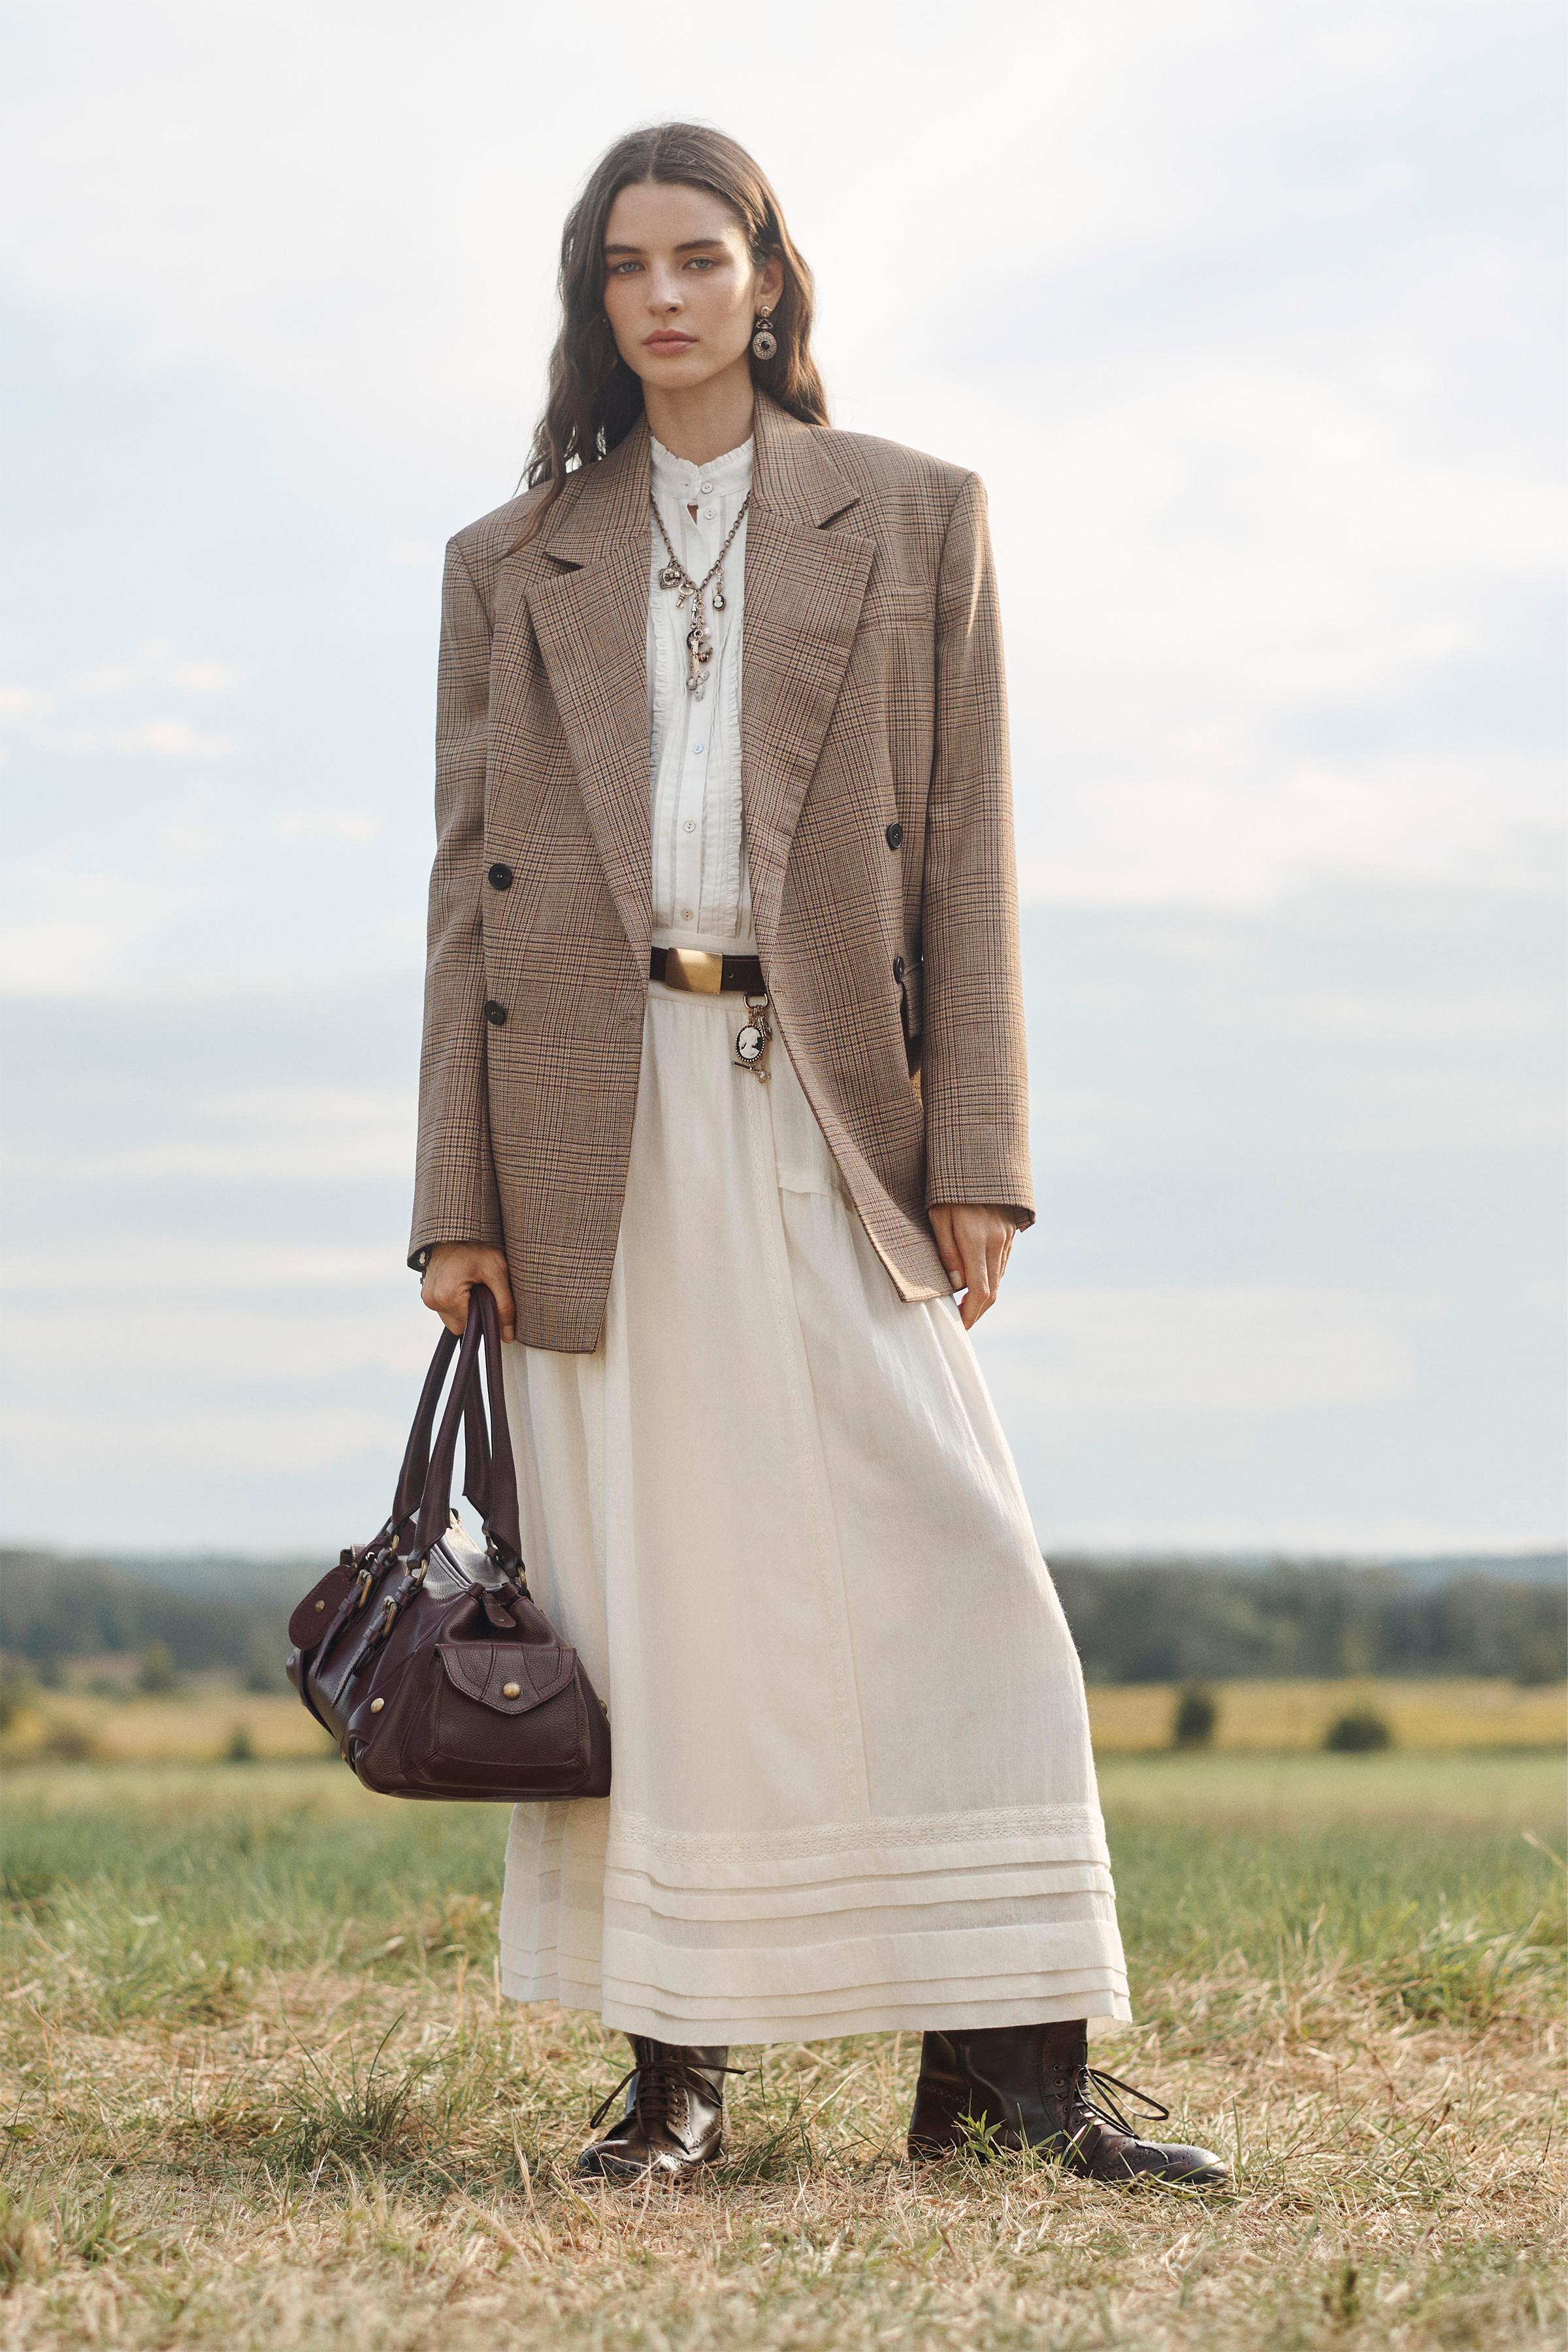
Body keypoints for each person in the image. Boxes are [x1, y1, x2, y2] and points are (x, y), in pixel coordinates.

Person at [410, 122, 1226, 2191]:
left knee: (959, 1571)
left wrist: (986, 1155)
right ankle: (674, 2074)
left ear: (772, 277)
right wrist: (457, 1203)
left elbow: (971, 850)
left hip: (834, 1099)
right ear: (596, 302)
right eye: (625, 268)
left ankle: (1015, 2065)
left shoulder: (915, 515)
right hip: (593, 1123)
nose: (665, 296)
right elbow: (463, 899)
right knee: (651, 1601)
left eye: (700, 257)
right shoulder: (515, 560)